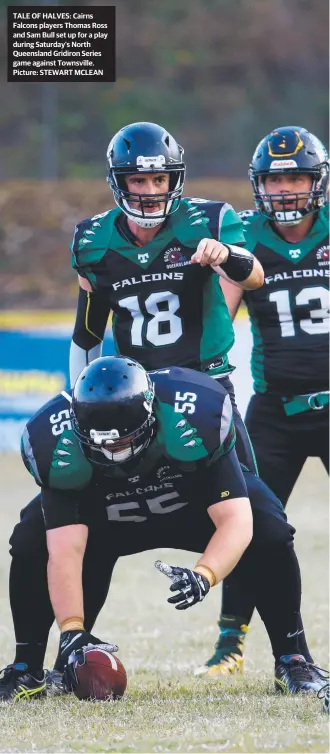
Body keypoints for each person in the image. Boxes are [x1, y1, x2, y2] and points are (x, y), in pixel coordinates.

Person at [68, 120, 319, 675]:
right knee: (77, 522)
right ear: (119, 182)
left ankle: (290, 658)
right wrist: (79, 406)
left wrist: (224, 255)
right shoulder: (92, 242)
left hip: (204, 395)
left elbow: (252, 275)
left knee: (262, 522)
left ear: (174, 179)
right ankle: (64, 653)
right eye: (139, 180)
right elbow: (86, 335)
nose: (151, 190)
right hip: (132, 403)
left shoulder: (208, 220)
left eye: (160, 179)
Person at [0, 356, 326, 702]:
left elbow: (237, 520)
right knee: (30, 537)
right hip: (106, 515)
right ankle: (27, 670)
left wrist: (204, 574)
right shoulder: (54, 440)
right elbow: (64, 549)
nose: (113, 454)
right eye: (101, 445)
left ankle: (293, 660)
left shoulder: (195, 412)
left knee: (268, 525)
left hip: (191, 506)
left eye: (122, 442)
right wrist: (71, 629)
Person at [196, 126, 329, 678]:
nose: (287, 188)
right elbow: (219, 322)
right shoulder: (245, 238)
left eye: (296, 175)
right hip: (274, 410)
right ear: (259, 184)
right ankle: (231, 644)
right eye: (276, 178)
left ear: (316, 181)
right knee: (248, 523)